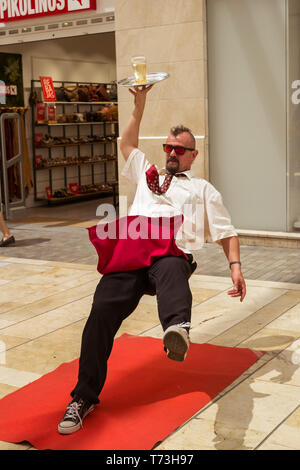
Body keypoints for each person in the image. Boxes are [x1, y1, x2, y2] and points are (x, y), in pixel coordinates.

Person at [58, 85, 246, 435]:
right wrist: (138, 105)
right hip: (133, 252)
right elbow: (127, 144)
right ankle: (83, 397)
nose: (172, 153)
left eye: (180, 149)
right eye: (168, 147)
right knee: (100, 314)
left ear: (193, 155)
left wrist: (235, 268)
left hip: (171, 253)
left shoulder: (202, 189)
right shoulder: (147, 174)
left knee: (175, 265)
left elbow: (226, 231)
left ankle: (177, 328)